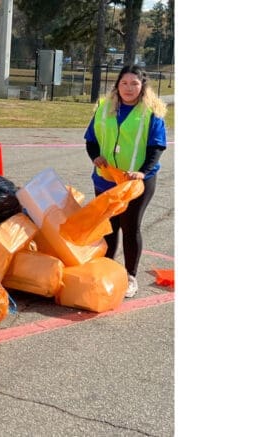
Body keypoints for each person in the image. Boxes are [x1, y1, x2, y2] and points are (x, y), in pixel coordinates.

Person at [84, 65, 168, 298]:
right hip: (106, 179)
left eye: (134, 84)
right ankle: (106, 271)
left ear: (143, 87)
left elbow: (156, 147)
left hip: (136, 182)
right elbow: (91, 140)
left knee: (130, 227)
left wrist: (142, 172)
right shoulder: (103, 108)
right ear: (117, 85)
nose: (129, 88)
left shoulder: (151, 112)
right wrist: (95, 157)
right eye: (124, 83)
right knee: (108, 228)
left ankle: (130, 276)